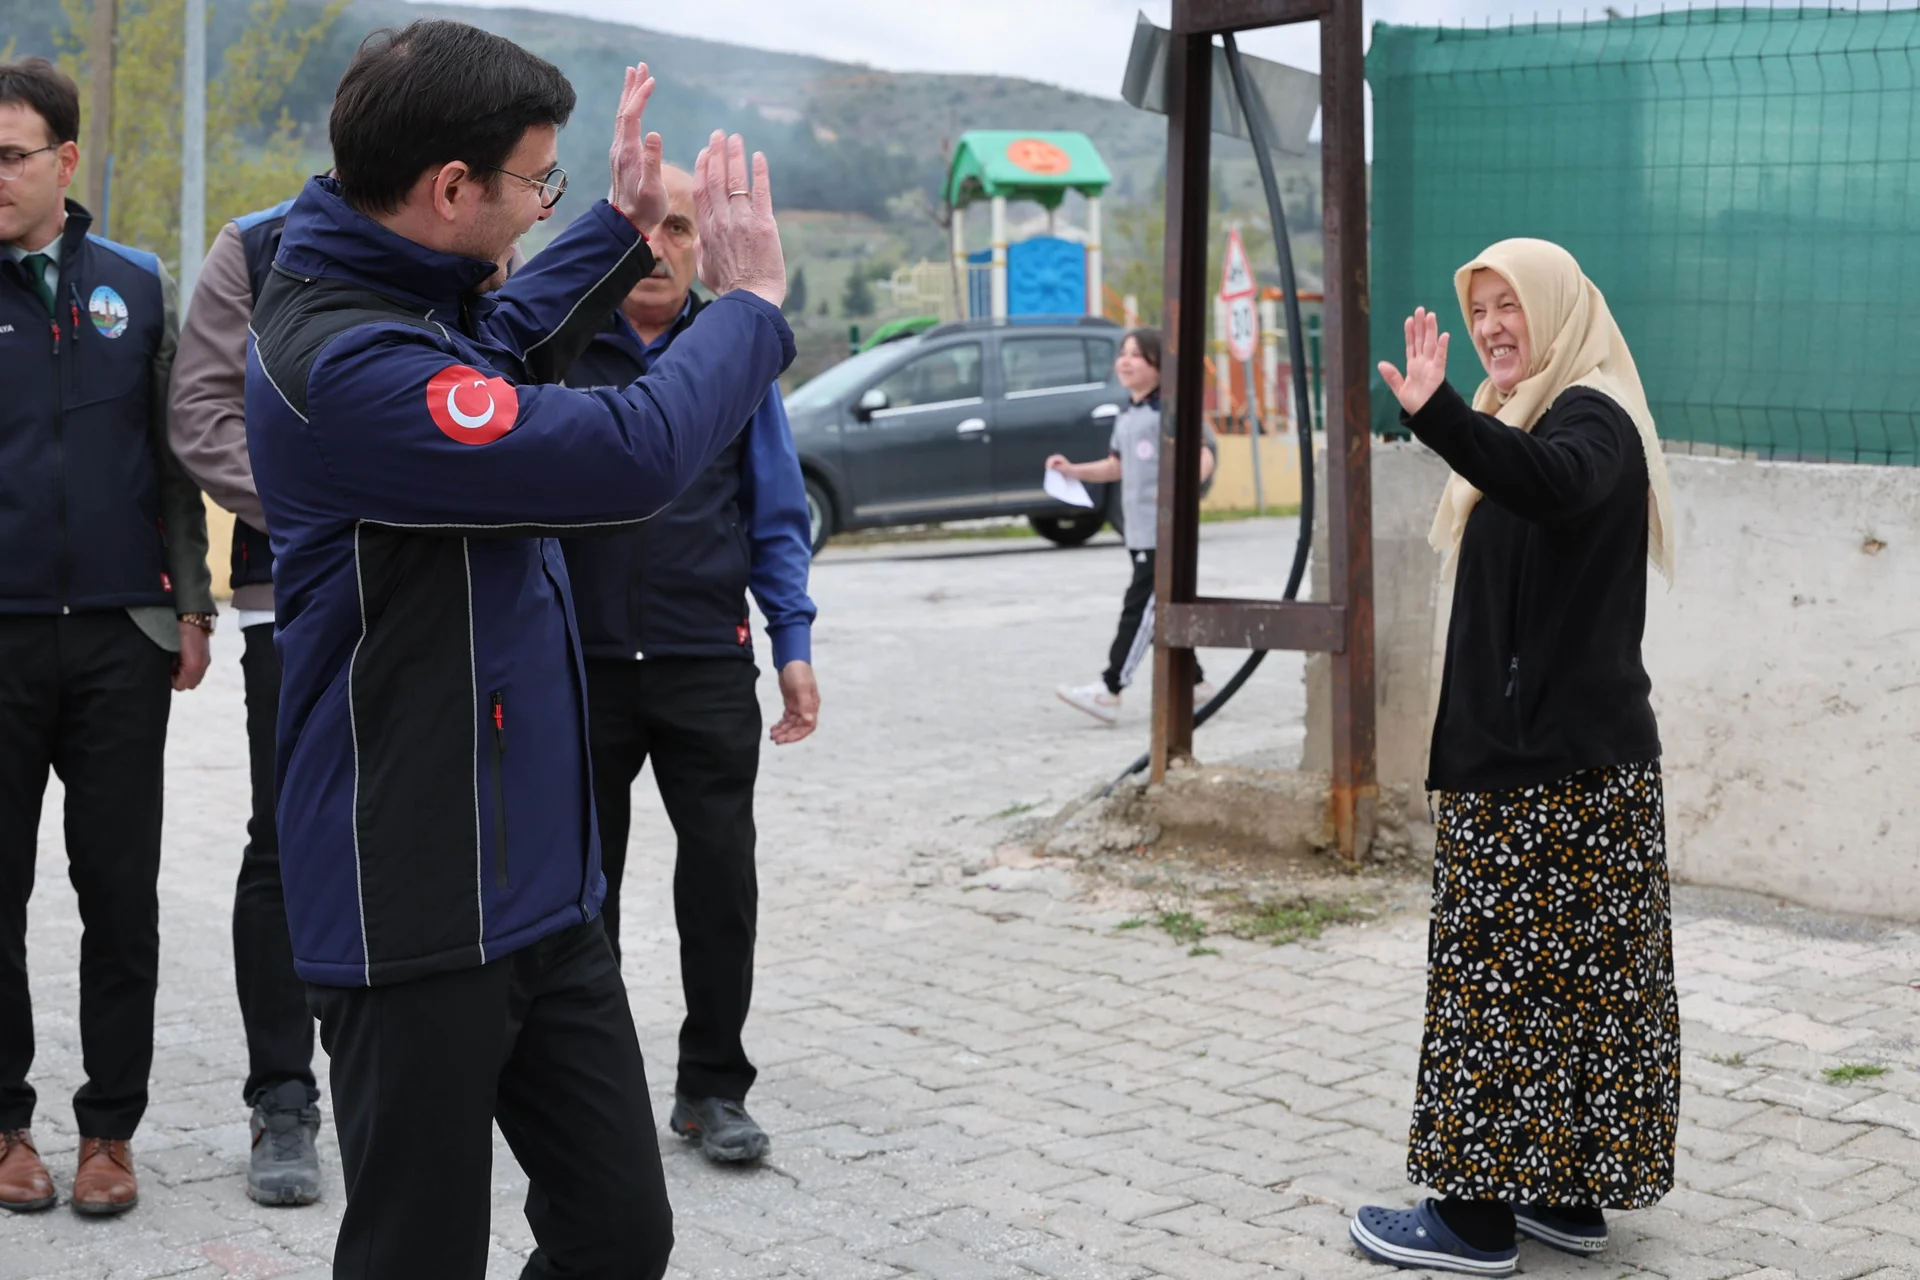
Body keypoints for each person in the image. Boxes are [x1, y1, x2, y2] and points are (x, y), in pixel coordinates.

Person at [245, 19, 790, 1279]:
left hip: (538, 885)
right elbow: (632, 454)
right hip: (415, 898)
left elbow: (493, 351)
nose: (543, 207)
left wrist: (613, 227)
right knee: (420, 1252)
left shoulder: (404, 305)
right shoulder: (347, 359)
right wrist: (750, 311)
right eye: (537, 185)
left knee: (617, 1232)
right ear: (450, 189)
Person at [171, 194, 525, 1208]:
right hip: (292, 598)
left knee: (450, 824)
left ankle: (457, 1075)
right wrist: (327, 502)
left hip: (442, 593)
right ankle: (283, 1098)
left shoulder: (467, 231)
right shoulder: (255, 245)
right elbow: (201, 414)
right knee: (285, 840)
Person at [1350, 239, 1680, 1276]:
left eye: (1511, 306)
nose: (1493, 326)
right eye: (1480, 308)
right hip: (1569, 763)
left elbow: (1551, 484)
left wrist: (1442, 415)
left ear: (1559, 309)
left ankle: (1472, 1220)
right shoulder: (1536, 416)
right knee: (1569, 990)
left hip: (1540, 771)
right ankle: (1562, 1191)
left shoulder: (1590, 419)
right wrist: (1469, 421)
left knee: (1495, 992)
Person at [559, 164, 818, 1166]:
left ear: (704, 244)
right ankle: (596, 1093)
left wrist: (792, 643)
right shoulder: (559, 347)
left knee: (720, 882)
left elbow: (777, 511)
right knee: (585, 893)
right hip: (579, 670)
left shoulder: (732, 352)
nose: (659, 248)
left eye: (678, 228)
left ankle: (713, 1085)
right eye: (643, 228)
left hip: (705, 663)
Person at [0, 56, 214, 1217]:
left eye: (10, 155)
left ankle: (108, 1133)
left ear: (66, 159)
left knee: (119, 895)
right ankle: (5, 1125)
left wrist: (192, 603)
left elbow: (175, 458)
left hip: (121, 639)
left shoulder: (136, 282)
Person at [1047, 327, 1215, 724]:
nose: (1125, 361)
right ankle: (1195, 683)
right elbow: (1116, 466)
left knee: (1140, 609)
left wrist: (1181, 490)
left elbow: (1203, 454)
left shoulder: (1169, 411)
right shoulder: (1128, 413)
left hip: (1164, 532)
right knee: (1161, 609)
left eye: (1136, 354)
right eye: (1123, 353)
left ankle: (1110, 689)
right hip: (1138, 531)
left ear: (1158, 365)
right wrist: (1073, 471)